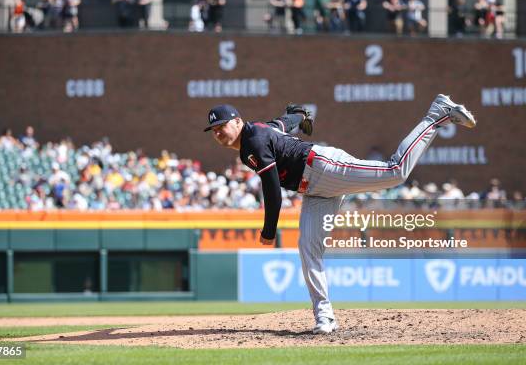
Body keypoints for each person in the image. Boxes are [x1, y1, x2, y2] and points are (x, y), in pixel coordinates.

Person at [204, 95, 476, 334]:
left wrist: (268, 231)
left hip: (324, 167)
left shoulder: (252, 142)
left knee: (396, 171)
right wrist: (299, 115)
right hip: (314, 190)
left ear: (238, 121)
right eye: (213, 130)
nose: (218, 133)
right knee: (307, 248)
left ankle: (436, 115)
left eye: (222, 126)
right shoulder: (261, 130)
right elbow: (283, 123)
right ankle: (324, 317)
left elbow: (272, 189)